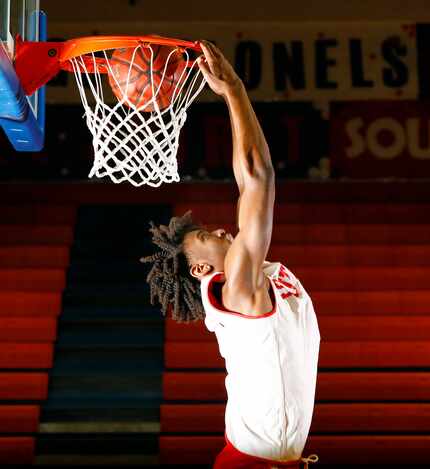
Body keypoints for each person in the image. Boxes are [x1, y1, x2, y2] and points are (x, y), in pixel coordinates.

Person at [141, 40, 320, 469]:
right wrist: (234, 89)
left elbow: (249, 185)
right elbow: (257, 178)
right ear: (202, 269)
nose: (221, 229)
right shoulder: (236, 288)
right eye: (205, 234)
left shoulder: (248, 278)